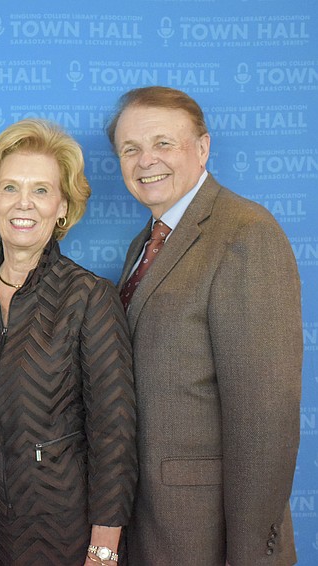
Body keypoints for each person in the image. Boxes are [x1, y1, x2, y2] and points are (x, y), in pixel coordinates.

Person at [108, 86, 302, 565]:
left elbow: (266, 419)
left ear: (203, 147)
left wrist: (251, 554)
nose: (146, 160)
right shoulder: (144, 245)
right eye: (130, 149)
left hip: (212, 535)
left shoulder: (245, 233)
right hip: (151, 524)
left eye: (163, 143)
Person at [0, 118, 137, 565]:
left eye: (41, 190)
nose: (24, 203)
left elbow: (113, 432)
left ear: (62, 207)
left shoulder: (89, 296)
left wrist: (104, 546)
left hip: (66, 534)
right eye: (10, 187)